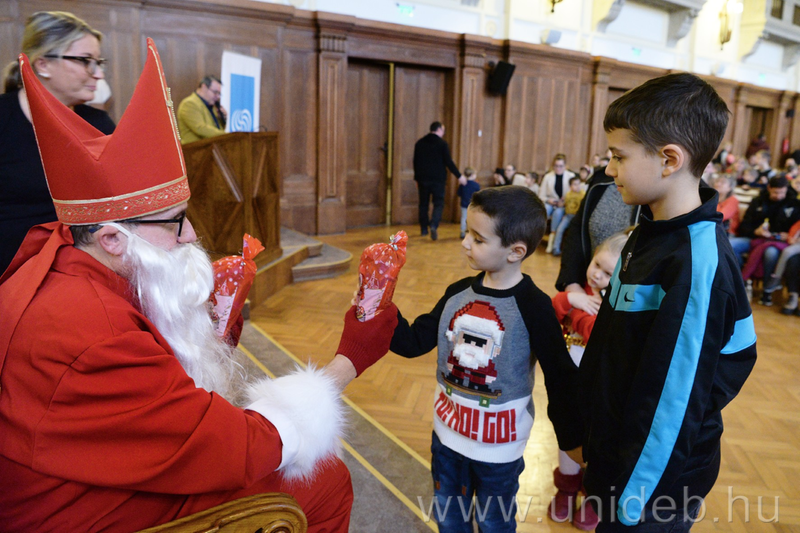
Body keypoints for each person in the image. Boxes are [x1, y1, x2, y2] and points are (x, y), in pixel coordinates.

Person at [0, 39, 398, 533]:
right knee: (326, 481)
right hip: (68, 510)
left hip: (62, 466)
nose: (190, 235)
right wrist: (347, 361)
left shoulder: (57, 249)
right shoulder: (95, 335)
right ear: (111, 238)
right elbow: (235, 447)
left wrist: (202, 332)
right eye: (175, 222)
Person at [580, 72, 758, 532]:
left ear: (669, 160)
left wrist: (633, 499)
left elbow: (674, 400)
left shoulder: (697, 264)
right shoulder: (647, 233)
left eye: (618, 156)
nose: (608, 169)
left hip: (651, 490)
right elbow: (612, 346)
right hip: (621, 464)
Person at [389, 186, 582, 532]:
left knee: (494, 523)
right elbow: (415, 341)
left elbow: (561, 380)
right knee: (450, 519)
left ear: (515, 251)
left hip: (499, 453)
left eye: (478, 239)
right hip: (447, 441)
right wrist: (379, 309)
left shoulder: (535, 307)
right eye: (468, 233)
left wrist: (574, 444)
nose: (465, 243)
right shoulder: (457, 293)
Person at [0, 11, 115, 275]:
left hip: (83, 269)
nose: (98, 74)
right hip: (10, 274)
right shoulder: (4, 118)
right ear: (43, 64)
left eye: (99, 62)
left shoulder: (99, 124)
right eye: (85, 61)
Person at [549, 231, 628, 531]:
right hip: (569, 384)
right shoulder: (579, 291)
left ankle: (594, 498)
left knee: (597, 445)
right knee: (568, 436)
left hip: (601, 391)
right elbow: (551, 312)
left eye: (607, 273)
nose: (597, 275)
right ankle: (566, 488)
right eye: (596, 265)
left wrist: (575, 312)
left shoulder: (617, 305)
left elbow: (597, 334)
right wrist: (570, 298)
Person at [555, 164, 638, 313]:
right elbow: (577, 230)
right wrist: (571, 283)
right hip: (587, 288)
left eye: (619, 157)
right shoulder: (602, 179)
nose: (609, 167)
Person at [737, 176, 800, 305]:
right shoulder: (758, 201)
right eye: (776, 192)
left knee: (770, 252)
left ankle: (767, 290)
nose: (779, 195)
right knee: (730, 246)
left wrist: (789, 235)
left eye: (782, 192)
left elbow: (797, 228)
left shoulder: (794, 204)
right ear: (769, 188)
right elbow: (744, 226)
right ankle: (738, 282)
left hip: (780, 243)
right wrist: (756, 231)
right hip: (754, 238)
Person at [412, 121, 464, 241]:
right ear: (439, 130)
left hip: (423, 179)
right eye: (443, 130)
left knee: (423, 204)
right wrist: (459, 176)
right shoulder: (442, 144)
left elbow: (415, 162)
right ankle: (434, 225)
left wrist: (417, 178)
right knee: (438, 204)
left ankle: (424, 229)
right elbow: (449, 162)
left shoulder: (419, 143)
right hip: (438, 180)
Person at [540, 153, 576, 254]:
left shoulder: (571, 176)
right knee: (545, 209)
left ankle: (551, 242)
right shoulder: (548, 176)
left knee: (558, 213)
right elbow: (541, 195)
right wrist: (549, 200)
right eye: (556, 166)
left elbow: (574, 195)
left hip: (564, 204)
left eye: (560, 166)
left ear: (565, 166)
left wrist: (564, 202)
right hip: (550, 202)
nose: (558, 168)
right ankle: (538, 234)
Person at [177, 74, 227, 144]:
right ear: (204, 87)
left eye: (219, 94)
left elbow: (217, 129)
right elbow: (200, 128)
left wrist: (223, 120)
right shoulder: (189, 104)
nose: (218, 96)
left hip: (212, 147)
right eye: (215, 92)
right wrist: (227, 135)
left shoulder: (212, 106)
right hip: (194, 149)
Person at [551, 176, 585, 257]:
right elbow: (565, 205)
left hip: (577, 217)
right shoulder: (568, 194)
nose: (577, 186)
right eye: (575, 184)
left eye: (578, 184)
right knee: (559, 229)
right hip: (568, 216)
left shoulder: (583, 194)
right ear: (570, 186)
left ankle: (573, 252)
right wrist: (561, 204)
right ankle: (555, 248)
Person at [457, 166, 480, 239]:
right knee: (472, 218)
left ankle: (462, 232)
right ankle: (471, 232)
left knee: (464, 218)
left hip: (464, 204)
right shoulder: (476, 185)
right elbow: (478, 195)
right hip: (473, 204)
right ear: (472, 175)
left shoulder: (462, 184)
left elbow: (459, 193)